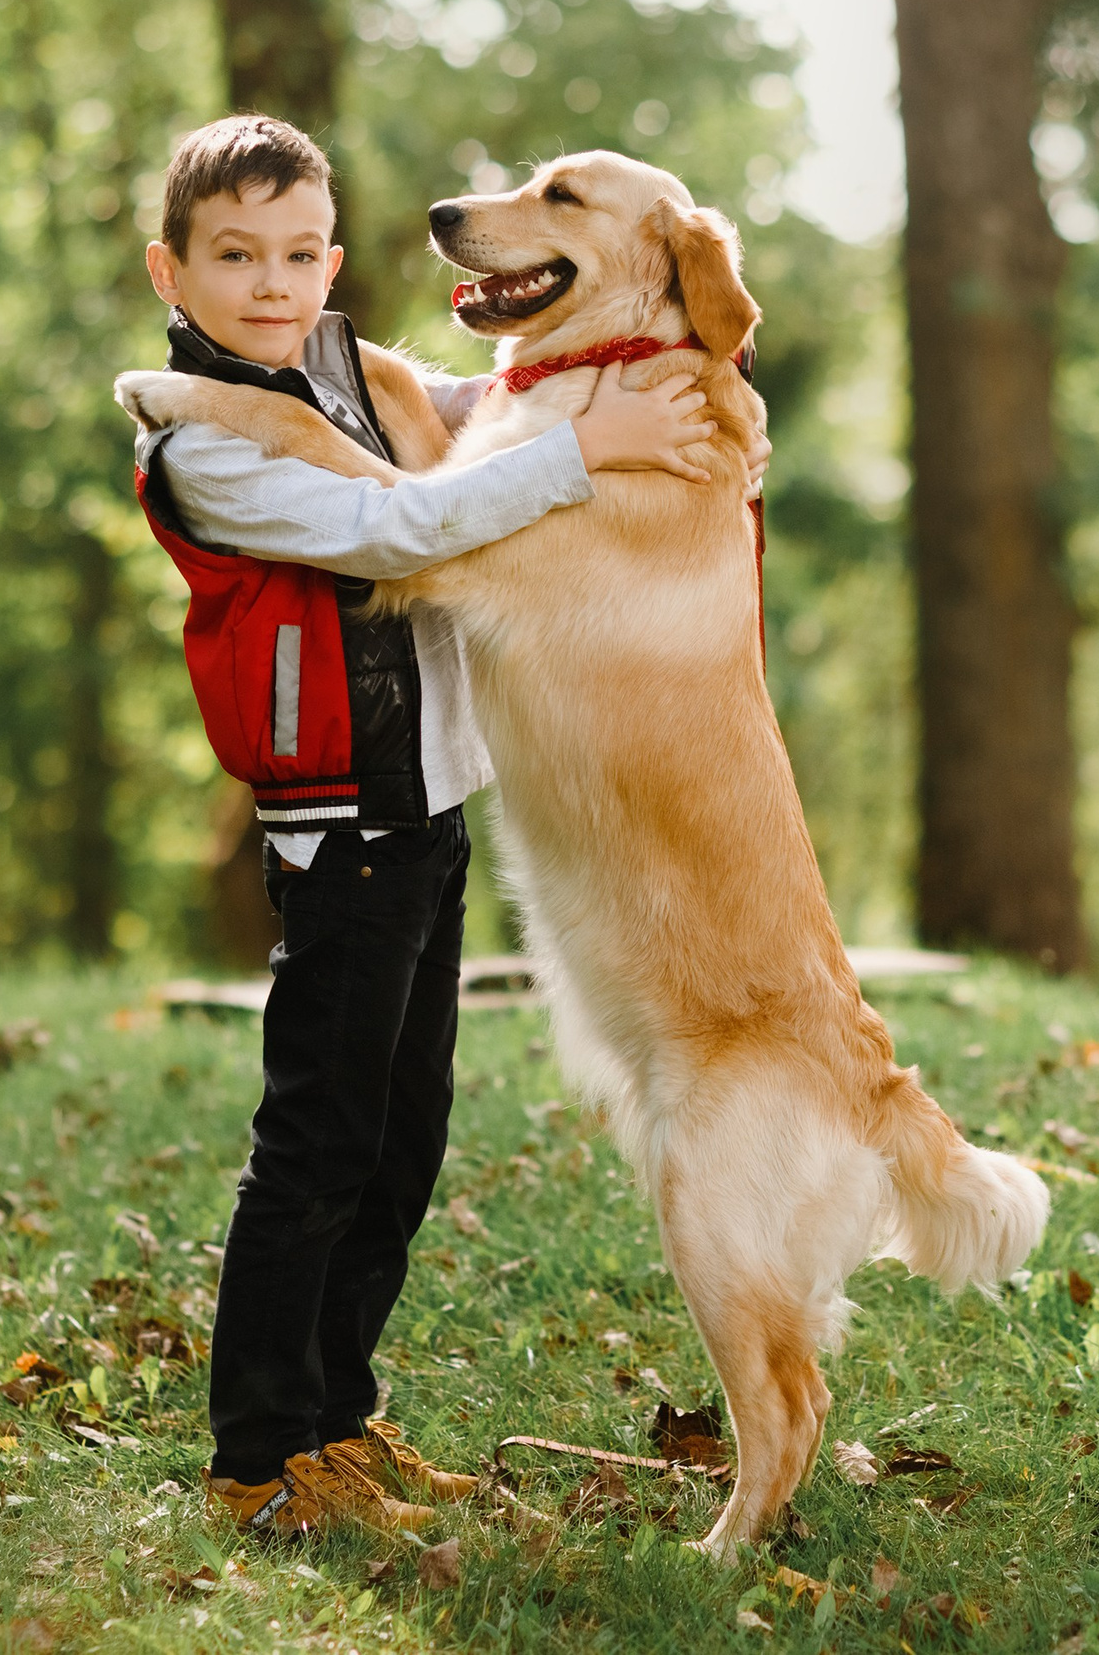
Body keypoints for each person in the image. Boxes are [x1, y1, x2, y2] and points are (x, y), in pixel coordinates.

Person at [127, 113, 736, 1536]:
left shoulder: (352, 370)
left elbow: (476, 422)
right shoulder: (202, 446)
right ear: (175, 272)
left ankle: (341, 1428)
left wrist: (625, 373)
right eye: (233, 259)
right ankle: (257, 1462)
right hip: (339, 834)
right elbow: (402, 533)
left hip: (431, 809)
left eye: (294, 255)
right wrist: (592, 442)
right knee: (318, 1144)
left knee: (404, 1140)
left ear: (329, 260)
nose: (270, 286)